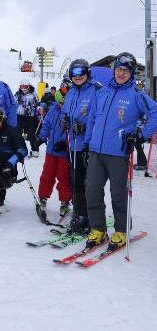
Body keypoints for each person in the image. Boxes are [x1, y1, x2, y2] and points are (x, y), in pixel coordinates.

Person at [83, 52, 157, 249]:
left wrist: (141, 134)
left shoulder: (136, 95)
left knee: (118, 193)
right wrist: (87, 142)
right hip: (96, 152)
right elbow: (92, 119)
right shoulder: (103, 92)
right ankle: (98, 229)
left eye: (125, 70)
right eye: (118, 70)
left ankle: (121, 231)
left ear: (131, 73)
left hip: (118, 152)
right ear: (113, 71)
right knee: (92, 190)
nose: (121, 73)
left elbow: (155, 112)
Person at [61, 58, 102, 235]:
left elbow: (101, 117)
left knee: (88, 184)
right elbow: (66, 111)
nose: (77, 76)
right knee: (75, 182)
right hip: (73, 145)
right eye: (74, 73)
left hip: (89, 145)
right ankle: (79, 215)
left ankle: (90, 218)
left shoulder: (96, 90)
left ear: (88, 73)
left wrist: (85, 128)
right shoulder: (71, 92)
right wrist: (65, 120)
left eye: (81, 73)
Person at [37, 88, 72, 218]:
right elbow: (47, 125)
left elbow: (72, 131)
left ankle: (65, 201)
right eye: (60, 102)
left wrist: (64, 143)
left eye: (64, 103)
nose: (61, 105)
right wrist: (40, 138)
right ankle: (43, 197)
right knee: (47, 174)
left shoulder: (71, 111)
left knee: (63, 177)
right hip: (51, 151)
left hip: (64, 153)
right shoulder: (53, 109)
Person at [14, 79, 40, 157]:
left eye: (25, 86)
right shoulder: (18, 94)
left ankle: (35, 150)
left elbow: (38, 103)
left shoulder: (33, 94)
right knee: (18, 133)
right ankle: (20, 148)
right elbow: (13, 103)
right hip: (20, 115)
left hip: (29, 116)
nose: (24, 88)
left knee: (31, 133)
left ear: (28, 87)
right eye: (22, 87)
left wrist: (39, 108)